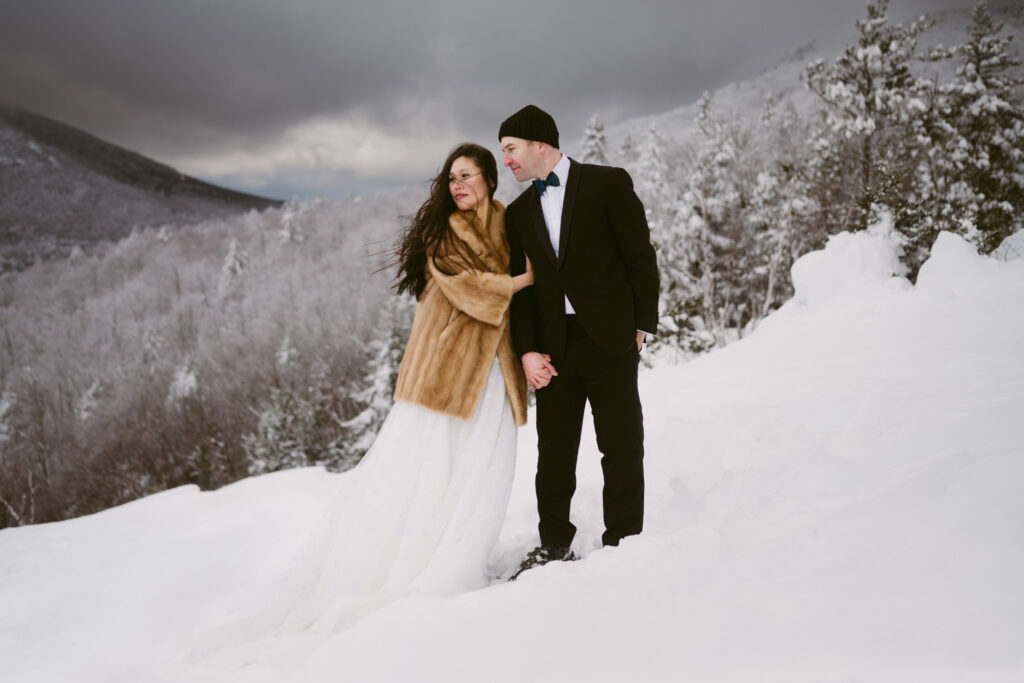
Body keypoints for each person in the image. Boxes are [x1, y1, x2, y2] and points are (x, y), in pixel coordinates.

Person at [250, 143, 531, 636]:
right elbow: (466, 287)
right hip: (443, 367)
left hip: (492, 366)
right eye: (451, 178)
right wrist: (518, 284)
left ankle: (461, 555)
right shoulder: (444, 232)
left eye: (467, 175)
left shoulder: (510, 222)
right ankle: (420, 565)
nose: (457, 185)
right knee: (427, 468)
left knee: (484, 463)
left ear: (489, 177)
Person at [498, 105, 659, 579]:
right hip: (553, 349)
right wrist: (527, 350)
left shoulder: (608, 183)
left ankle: (624, 540)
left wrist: (641, 323)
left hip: (610, 340)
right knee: (554, 457)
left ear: (539, 145)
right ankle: (553, 545)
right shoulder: (518, 212)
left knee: (622, 445)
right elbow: (521, 290)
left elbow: (639, 256)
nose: (506, 160)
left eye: (510, 149)